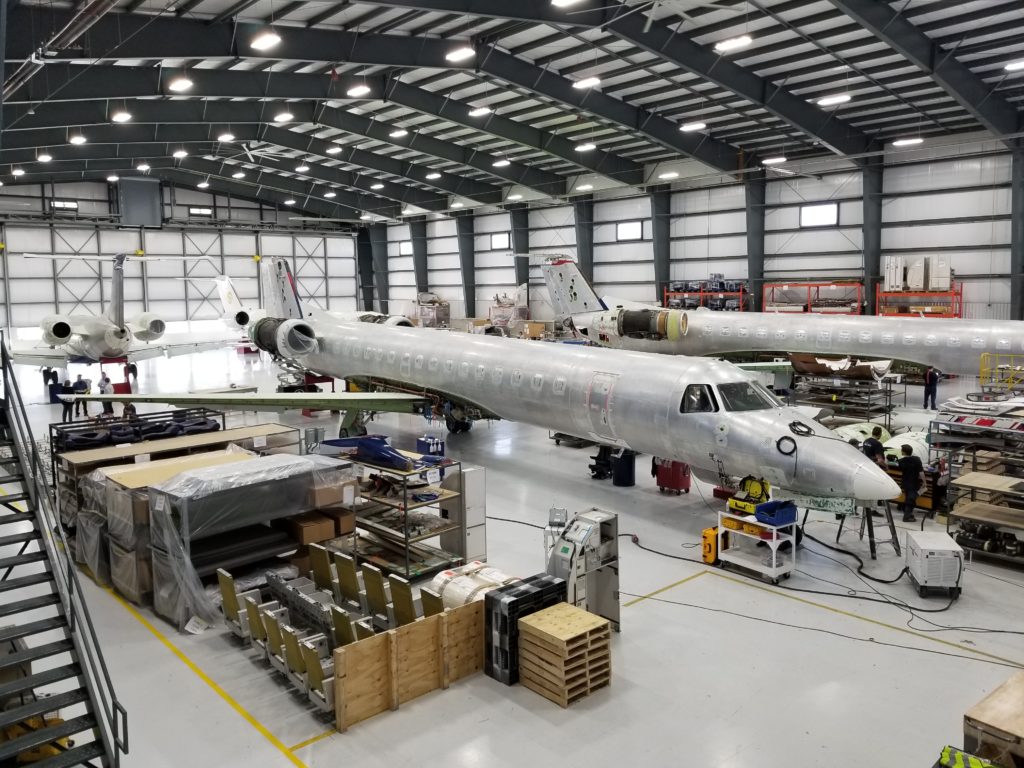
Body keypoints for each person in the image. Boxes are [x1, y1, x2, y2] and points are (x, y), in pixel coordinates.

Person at [897, 444, 924, 523]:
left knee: (909, 498)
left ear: (904, 452)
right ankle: (907, 516)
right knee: (911, 499)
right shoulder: (917, 459)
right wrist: (924, 482)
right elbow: (921, 472)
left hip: (905, 483)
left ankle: (907, 514)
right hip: (914, 483)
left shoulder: (901, 461)